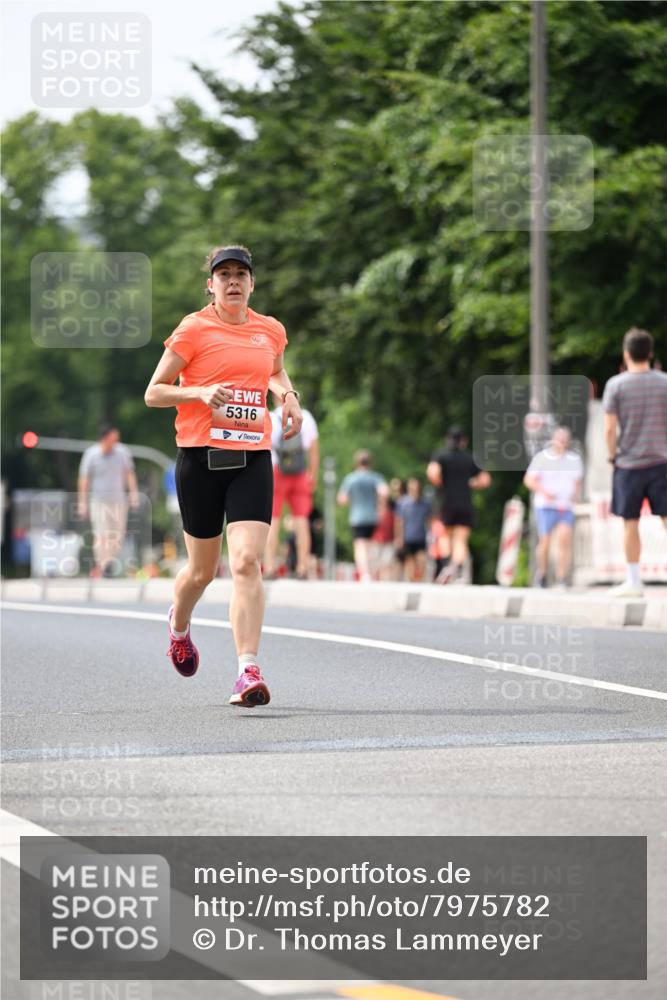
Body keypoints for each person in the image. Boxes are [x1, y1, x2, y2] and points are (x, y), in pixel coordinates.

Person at [144, 245, 302, 706]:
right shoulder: (194, 329)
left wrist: (288, 393)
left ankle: (247, 669)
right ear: (210, 285)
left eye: (241, 275)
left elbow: (274, 370)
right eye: (224, 275)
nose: (233, 281)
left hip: (252, 456)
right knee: (201, 571)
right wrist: (199, 392)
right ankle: (178, 624)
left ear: (252, 284)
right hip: (200, 459)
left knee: (247, 561)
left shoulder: (269, 330)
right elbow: (154, 393)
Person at [602, 327, 667, 597]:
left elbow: (609, 428)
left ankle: (633, 581)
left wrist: (612, 456)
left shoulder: (616, 385)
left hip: (628, 465)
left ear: (626, 353)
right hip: (662, 461)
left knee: (630, 522)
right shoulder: (665, 382)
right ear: (650, 353)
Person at [427, 427, 491, 583]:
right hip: (465, 502)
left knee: (445, 536)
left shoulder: (441, 455)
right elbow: (485, 480)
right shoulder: (470, 458)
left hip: (447, 501)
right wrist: (470, 484)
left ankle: (447, 565)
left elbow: (432, 473)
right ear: (464, 441)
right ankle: (459, 571)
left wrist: (443, 483)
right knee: (461, 539)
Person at [264, 404, 319, 579]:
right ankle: (302, 567)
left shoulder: (271, 417)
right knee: (302, 520)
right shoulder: (306, 416)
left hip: (276, 473)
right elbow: (314, 448)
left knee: (273, 520)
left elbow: (265, 447)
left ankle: (270, 566)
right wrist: (313, 475)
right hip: (300, 473)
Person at [523, 427, 583, 588]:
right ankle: (542, 573)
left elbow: (577, 482)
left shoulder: (573, 460)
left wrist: (576, 496)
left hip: (565, 505)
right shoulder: (542, 458)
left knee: (564, 540)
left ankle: (561, 576)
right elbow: (529, 480)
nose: (562, 443)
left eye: (565, 440)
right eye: (560, 440)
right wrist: (545, 492)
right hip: (546, 505)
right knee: (546, 541)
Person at [78, 425, 139, 578]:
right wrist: (82, 502)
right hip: (99, 501)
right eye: (113, 439)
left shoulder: (123, 453)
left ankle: (108, 563)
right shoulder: (91, 455)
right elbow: (84, 480)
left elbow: (129, 474)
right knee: (101, 534)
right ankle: (103, 565)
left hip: (119, 501)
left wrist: (133, 494)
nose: (115, 442)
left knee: (117, 536)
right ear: (104, 439)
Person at [337, 450, 388, 581]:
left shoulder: (351, 478)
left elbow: (341, 499)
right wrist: (381, 506)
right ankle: (370, 572)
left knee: (360, 546)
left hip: (357, 516)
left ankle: (364, 573)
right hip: (372, 516)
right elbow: (384, 491)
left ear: (356, 463)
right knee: (369, 545)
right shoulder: (375, 477)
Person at [395, 477, 431, 581]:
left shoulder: (426, 503)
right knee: (409, 561)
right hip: (408, 537)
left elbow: (429, 520)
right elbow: (400, 522)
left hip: (421, 536)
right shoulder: (403, 503)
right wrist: (399, 537)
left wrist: (431, 536)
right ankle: (411, 582)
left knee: (421, 560)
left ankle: (419, 580)